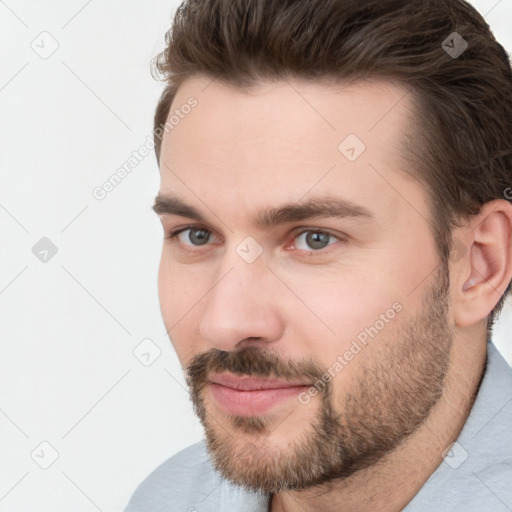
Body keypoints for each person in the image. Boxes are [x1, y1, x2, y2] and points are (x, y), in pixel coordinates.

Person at [124, 0, 512, 510]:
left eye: (314, 239)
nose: (225, 323)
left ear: (479, 266)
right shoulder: (168, 499)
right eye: (196, 235)